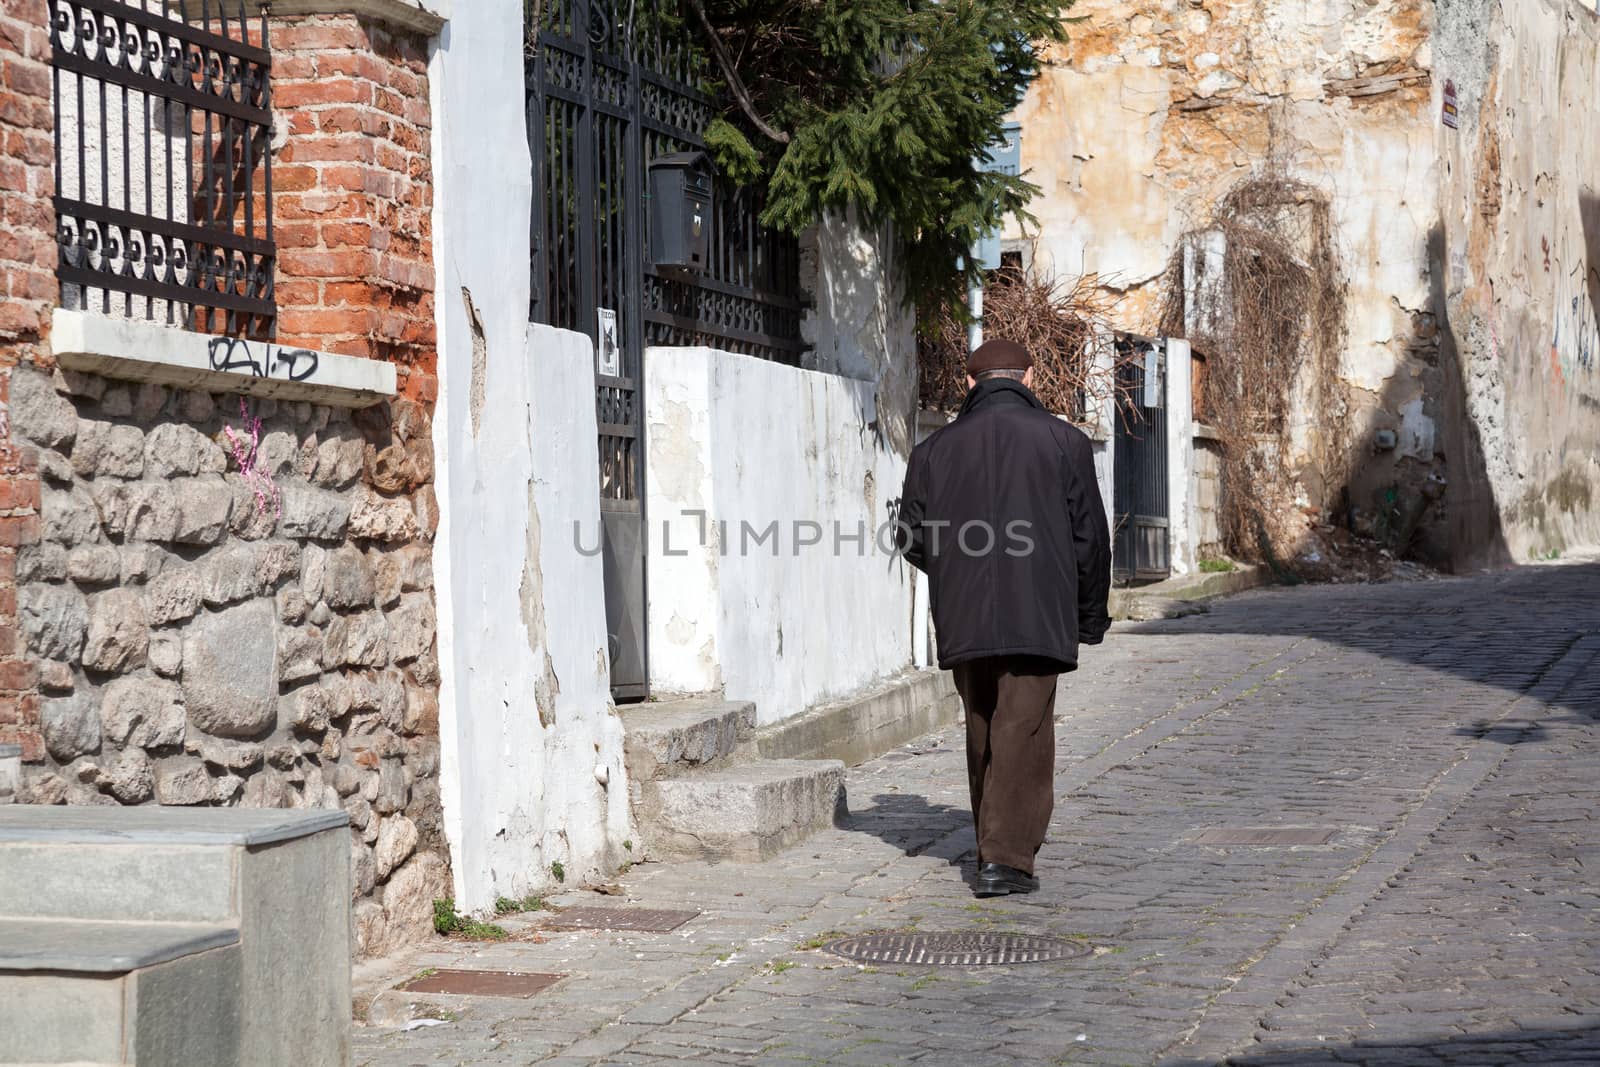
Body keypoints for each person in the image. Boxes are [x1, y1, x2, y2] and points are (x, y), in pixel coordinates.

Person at [896, 337, 1112, 897]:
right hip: (1040, 610)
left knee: (984, 726)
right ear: (1031, 377)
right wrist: (1089, 616)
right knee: (1024, 727)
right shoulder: (1065, 442)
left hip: (964, 612)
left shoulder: (933, 451)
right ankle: (1005, 859)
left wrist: (957, 572)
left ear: (969, 383)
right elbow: (1090, 539)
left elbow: (911, 539)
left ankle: (993, 842)